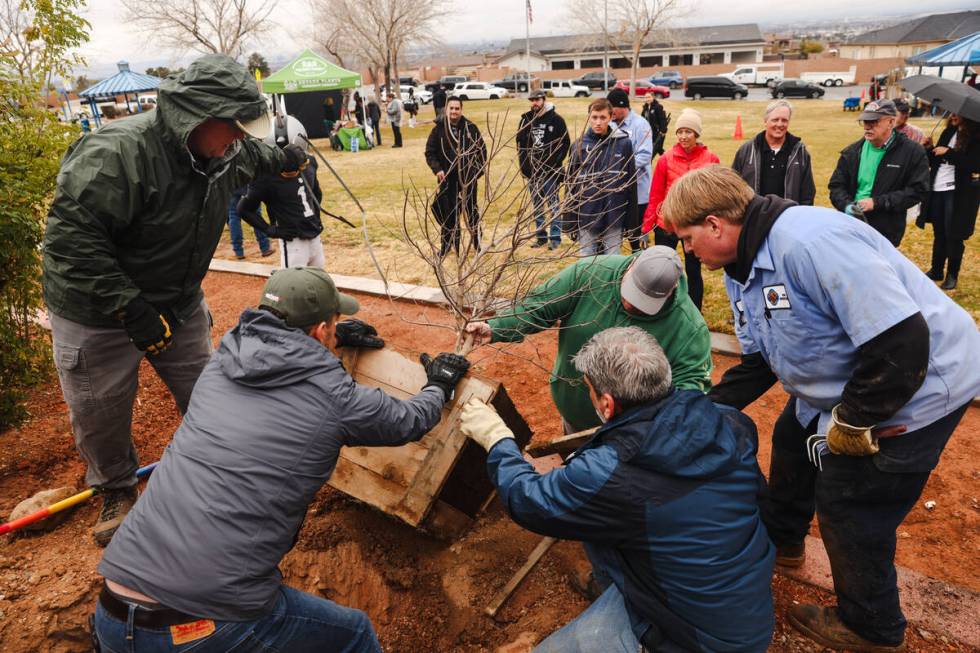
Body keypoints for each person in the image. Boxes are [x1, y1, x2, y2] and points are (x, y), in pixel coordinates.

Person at [662, 165, 980, 652]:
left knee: (851, 502)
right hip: (847, 382)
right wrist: (704, 407)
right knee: (792, 440)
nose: (688, 250)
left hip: (918, 385)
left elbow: (901, 341)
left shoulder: (811, 243)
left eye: (687, 237)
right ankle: (784, 541)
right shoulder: (740, 266)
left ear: (713, 225)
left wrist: (852, 421)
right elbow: (759, 361)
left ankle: (871, 626)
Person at [93, 267, 471, 653]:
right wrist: (439, 384)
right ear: (320, 330)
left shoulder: (221, 362)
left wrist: (330, 345)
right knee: (353, 634)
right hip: (202, 623)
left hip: (112, 611)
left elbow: (284, 377)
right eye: (334, 325)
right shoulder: (335, 398)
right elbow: (407, 421)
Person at [42, 54, 307, 547]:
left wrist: (286, 160)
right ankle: (117, 488)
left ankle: (222, 470)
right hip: (96, 310)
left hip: (177, 300)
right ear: (199, 117)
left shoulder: (225, 151)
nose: (240, 139)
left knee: (209, 389)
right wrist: (131, 310)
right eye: (233, 127)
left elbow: (257, 157)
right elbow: (72, 244)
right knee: (100, 410)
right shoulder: (116, 154)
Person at [459, 326, 774, 653]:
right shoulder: (724, 419)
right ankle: (615, 587)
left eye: (589, 390)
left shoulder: (610, 476)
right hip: (746, 612)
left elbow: (529, 500)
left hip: (697, 639)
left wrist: (497, 439)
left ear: (607, 405)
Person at [464, 246, 711, 434]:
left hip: (633, 436)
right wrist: (495, 327)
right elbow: (540, 306)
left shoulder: (689, 329)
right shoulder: (591, 273)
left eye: (642, 303)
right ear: (631, 265)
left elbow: (687, 395)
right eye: (629, 292)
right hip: (575, 416)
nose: (629, 303)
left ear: (670, 293)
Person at [643, 108, 718, 310]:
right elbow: (656, 194)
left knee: (693, 270)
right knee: (663, 269)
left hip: (695, 225)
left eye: (689, 132)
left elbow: (715, 195)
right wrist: (647, 225)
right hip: (667, 223)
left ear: (697, 134)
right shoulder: (666, 159)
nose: (684, 136)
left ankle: (694, 312)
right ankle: (662, 308)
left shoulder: (710, 159)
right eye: (680, 131)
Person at [828, 99, 930, 247]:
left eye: (874, 121)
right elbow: (836, 186)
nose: (867, 126)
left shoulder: (912, 152)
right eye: (865, 121)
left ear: (890, 122)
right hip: (852, 226)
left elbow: (918, 190)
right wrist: (847, 206)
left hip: (886, 230)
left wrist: (877, 203)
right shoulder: (852, 152)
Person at [238, 117, 326, 269]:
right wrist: (270, 230)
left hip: (314, 235)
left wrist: (315, 218)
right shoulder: (265, 176)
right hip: (293, 241)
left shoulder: (309, 163)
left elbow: (316, 194)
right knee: (294, 287)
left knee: (319, 284)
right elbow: (243, 209)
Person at [564, 98, 636, 257]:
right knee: (586, 261)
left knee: (612, 261)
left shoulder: (624, 144)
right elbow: (571, 185)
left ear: (611, 117)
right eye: (594, 117)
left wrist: (632, 222)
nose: (598, 122)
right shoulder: (579, 146)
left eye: (603, 118)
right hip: (587, 214)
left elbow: (631, 183)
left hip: (614, 214)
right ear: (588, 117)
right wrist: (569, 221)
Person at [917, 113, 980, 290]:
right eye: (952, 111)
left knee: (954, 235)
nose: (953, 115)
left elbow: (975, 164)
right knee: (940, 233)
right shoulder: (948, 132)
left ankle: (952, 275)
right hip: (938, 188)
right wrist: (929, 149)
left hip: (958, 193)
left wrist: (949, 152)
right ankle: (936, 270)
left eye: (958, 113)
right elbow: (936, 161)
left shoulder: (976, 137)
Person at [425, 96, 487, 256]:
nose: (454, 111)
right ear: (446, 109)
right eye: (451, 108)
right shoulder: (438, 129)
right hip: (447, 180)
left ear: (461, 109)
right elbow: (430, 153)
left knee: (472, 212)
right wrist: (438, 170)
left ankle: (477, 244)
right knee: (448, 215)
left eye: (457, 108)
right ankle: (446, 247)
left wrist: (475, 173)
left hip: (468, 180)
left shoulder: (470, 128)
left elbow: (482, 152)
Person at [731, 99, 815, 205]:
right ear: (765, 121)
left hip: (788, 216)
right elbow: (733, 188)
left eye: (784, 120)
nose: (780, 124)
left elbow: (807, 193)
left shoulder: (800, 153)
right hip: (754, 217)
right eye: (775, 120)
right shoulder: (746, 151)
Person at [517, 89, 570, 250]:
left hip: (550, 171)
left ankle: (555, 238)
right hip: (533, 172)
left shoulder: (556, 120)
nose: (534, 103)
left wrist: (555, 163)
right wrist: (524, 167)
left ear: (544, 100)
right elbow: (520, 145)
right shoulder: (526, 120)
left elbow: (565, 142)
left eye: (537, 99)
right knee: (537, 206)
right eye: (532, 100)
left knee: (553, 205)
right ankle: (541, 237)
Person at [608, 88, 653, 252]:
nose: (609, 112)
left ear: (622, 106)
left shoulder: (641, 125)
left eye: (611, 108)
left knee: (636, 234)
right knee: (616, 232)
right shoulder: (610, 125)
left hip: (638, 192)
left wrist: (621, 168)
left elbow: (645, 155)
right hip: (616, 191)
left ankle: (641, 260)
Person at [227, 187, 275, 259]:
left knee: (233, 216)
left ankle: (238, 251)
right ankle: (265, 248)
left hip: (232, 185)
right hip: (249, 186)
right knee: (255, 214)